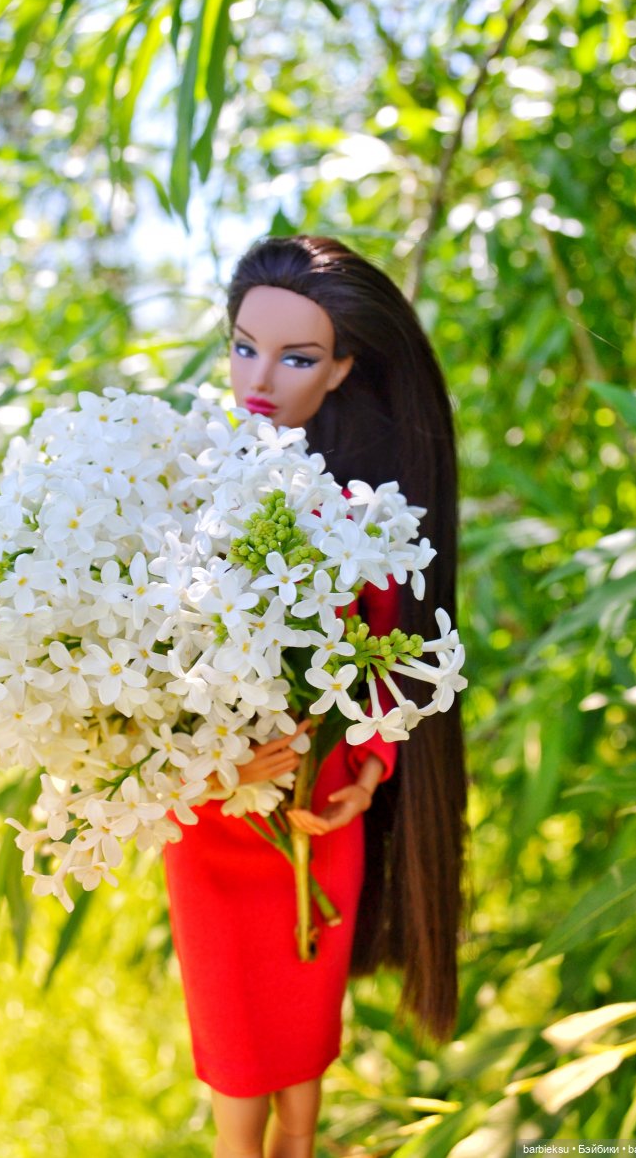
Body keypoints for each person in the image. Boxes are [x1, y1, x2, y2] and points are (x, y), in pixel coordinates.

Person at [163, 235, 468, 1158]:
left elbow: (388, 651)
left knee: (302, 1063)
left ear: (340, 370)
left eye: (297, 357)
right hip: (215, 818)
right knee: (235, 1073)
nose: (262, 375)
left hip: (317, 816)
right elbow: (147, 663)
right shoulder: (183, 488)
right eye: (246, 346)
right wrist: (212, 760)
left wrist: (370, 770)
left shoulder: (353, 514)